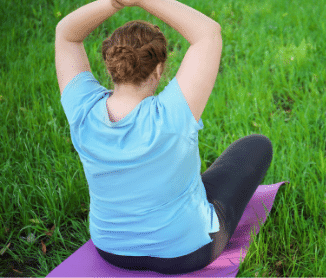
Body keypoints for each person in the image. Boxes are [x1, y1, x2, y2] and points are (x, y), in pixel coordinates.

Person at [55, 0, 273, 274]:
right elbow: (208, 32)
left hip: (112, 250)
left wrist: (115, 2)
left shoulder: (82, 108)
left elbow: (66, 33)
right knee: (255, 146)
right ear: (158, 70)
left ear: (111, 67)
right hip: (188, 253)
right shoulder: (174, 111)